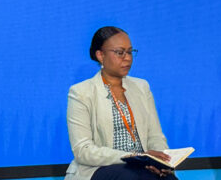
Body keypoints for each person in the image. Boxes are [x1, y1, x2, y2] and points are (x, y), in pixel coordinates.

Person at [65, 26, 178, 180]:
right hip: (101, 168)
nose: (127, 58)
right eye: (120, 52)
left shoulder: (142, 87)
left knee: (167, 178)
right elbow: (83, 150)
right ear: (100, 55)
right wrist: (133, 156)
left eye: (130, 52)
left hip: (142, 165)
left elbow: (155, 136)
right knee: (131, 177)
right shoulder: (81, 93)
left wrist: (160, 161)